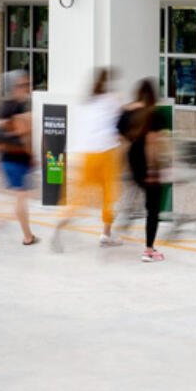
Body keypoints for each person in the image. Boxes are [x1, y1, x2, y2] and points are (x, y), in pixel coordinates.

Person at [52, 67, 124, 252]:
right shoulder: (112, 99)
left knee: (79, 197)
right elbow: (122, 116)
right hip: (106, 152)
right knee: (109, 195)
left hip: (86, 154)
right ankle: (106, 234)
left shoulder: (85, 103)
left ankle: (61, 223)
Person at [0, 70, 39, 250]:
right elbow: (6, 133)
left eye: (28, 85)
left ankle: (28, 236)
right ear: (14, 87)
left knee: (18, 199)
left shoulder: (15, 106)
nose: (27, 88)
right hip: (14, 160)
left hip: (15, 160)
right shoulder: (13, 107)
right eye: (23, 85)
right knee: (13, 202)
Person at [119, 78, 172, 263]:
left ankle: (126, 217)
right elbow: (152, 142)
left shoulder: (128, 112)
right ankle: (149, 250)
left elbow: (122, 136)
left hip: (132, 158)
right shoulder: (155, 114)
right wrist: (151, 169)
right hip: (146, 160)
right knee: (153, 207)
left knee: (136, 189)